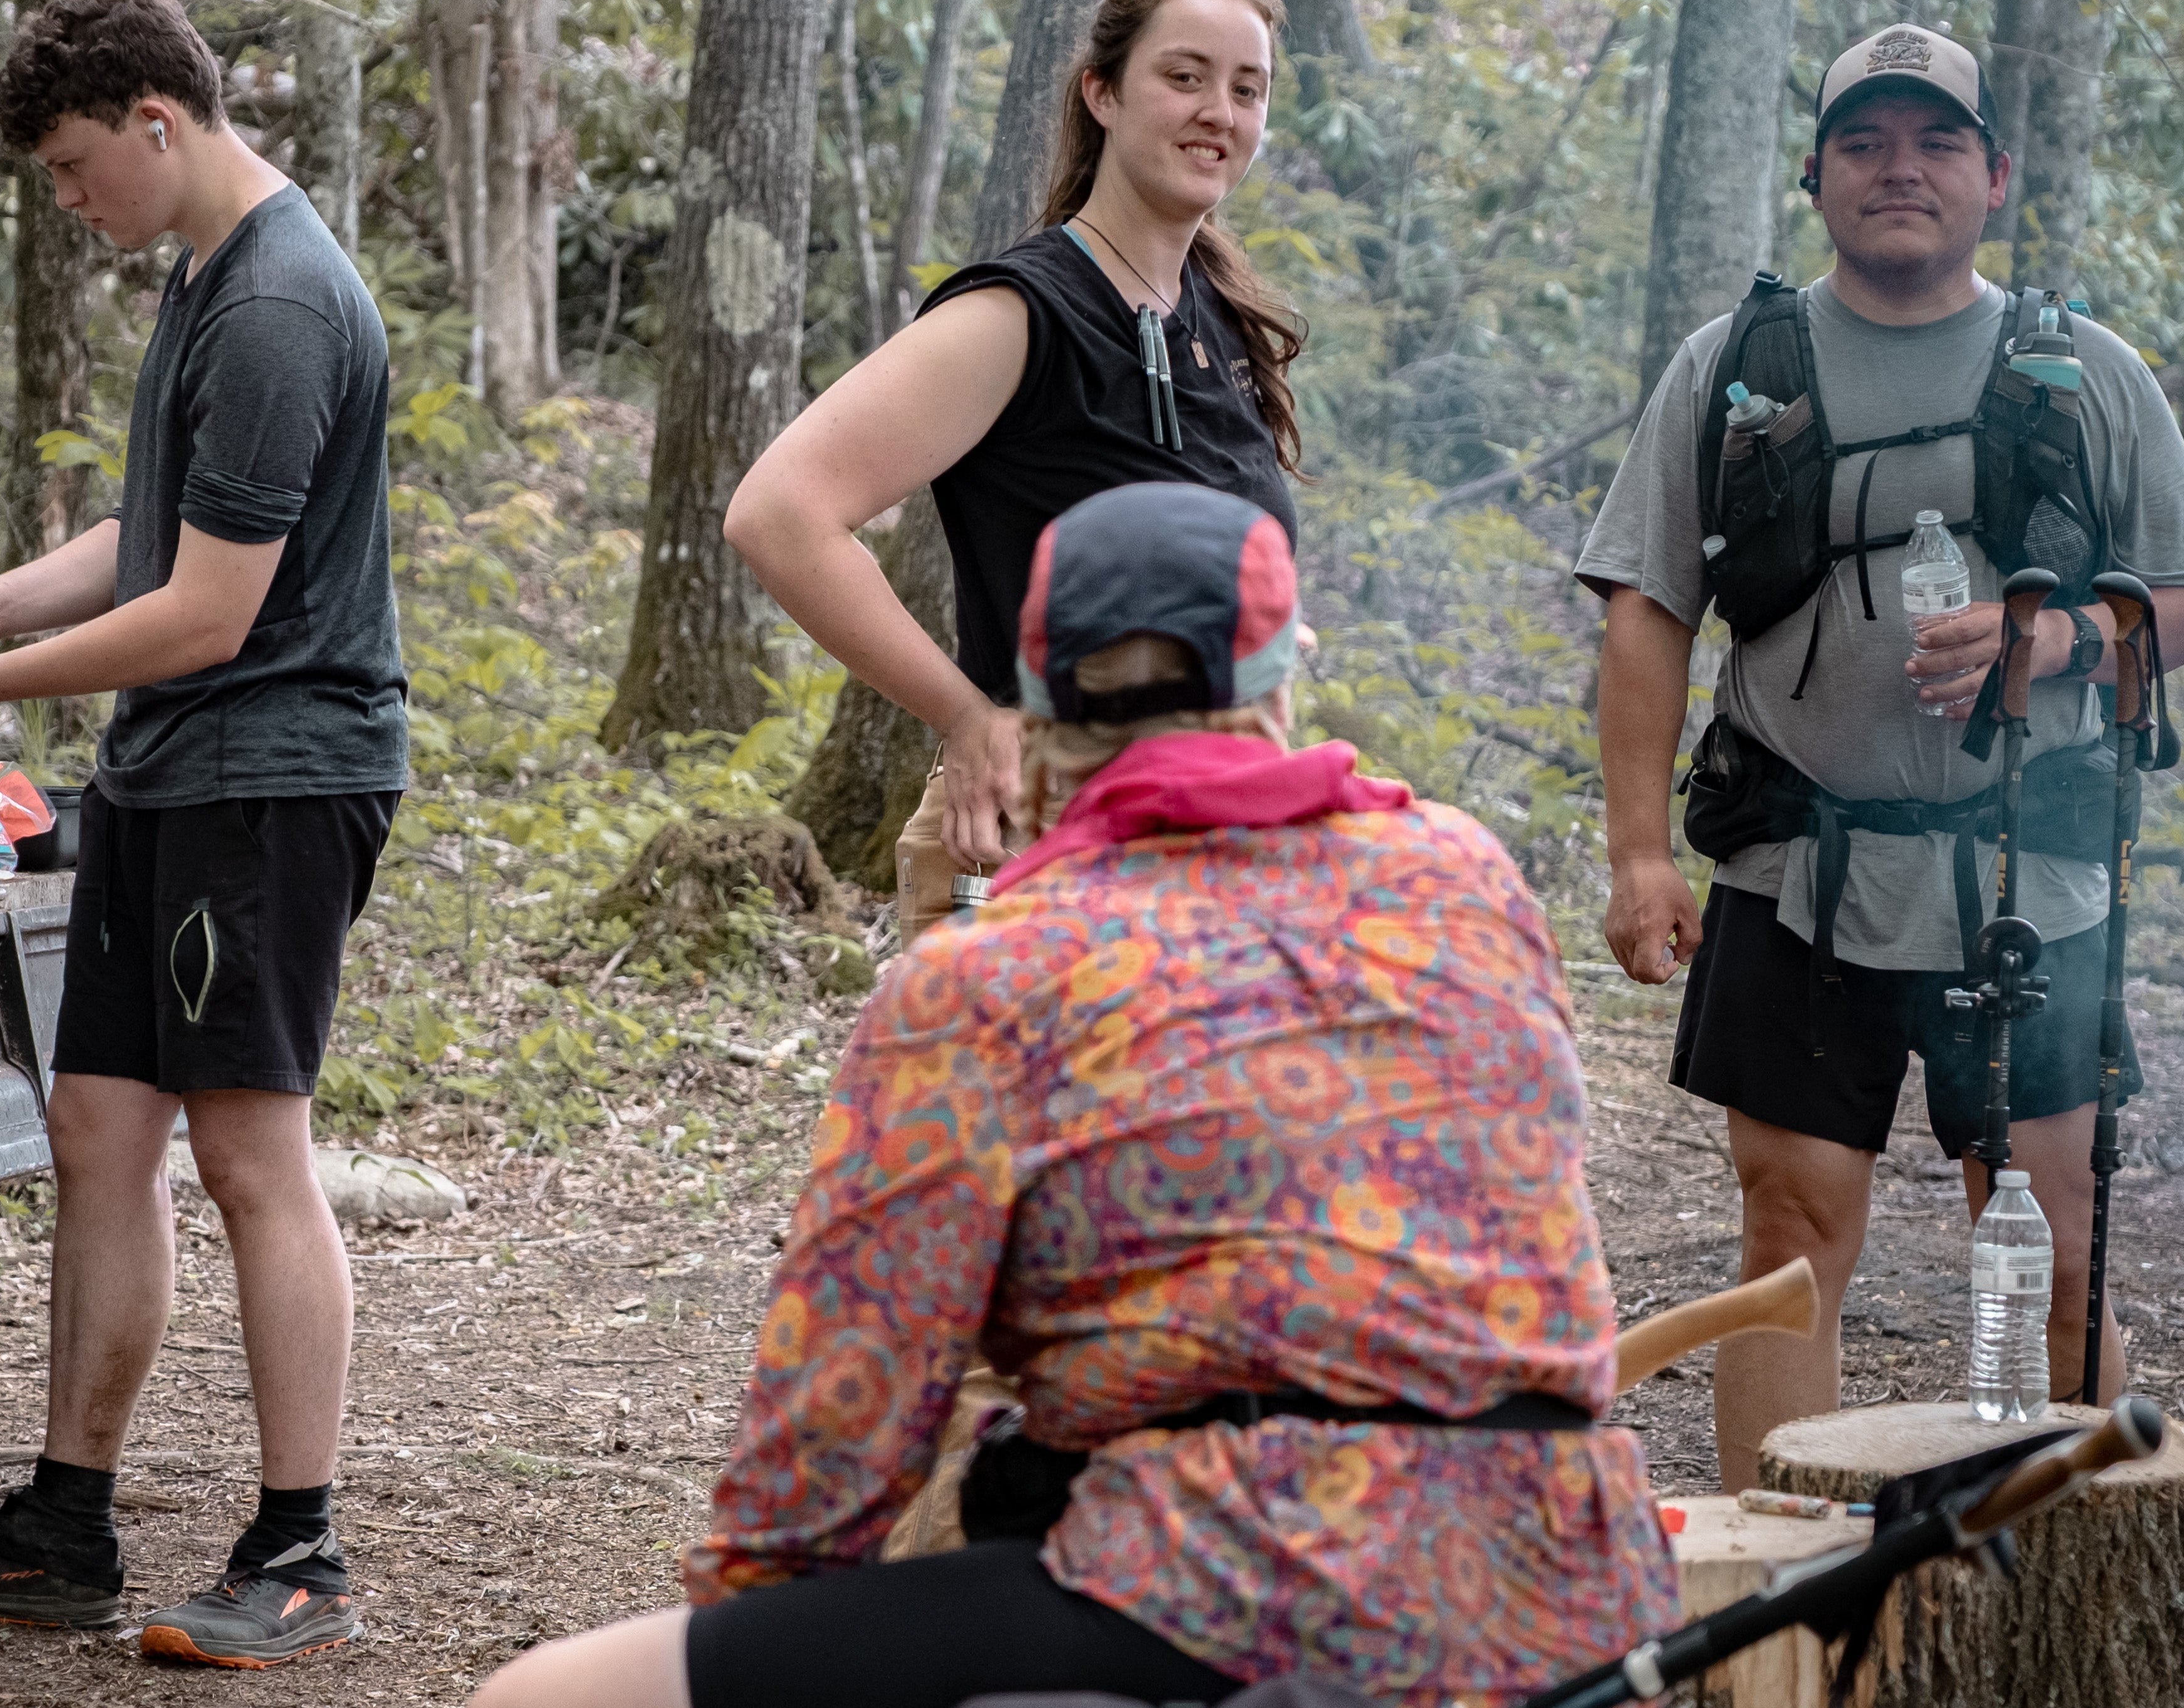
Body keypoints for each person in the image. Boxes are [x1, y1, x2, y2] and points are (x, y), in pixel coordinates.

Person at [475, 485, 1676, 1708]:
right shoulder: (1463, 875)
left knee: (544, 1696)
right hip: (1571, 1576)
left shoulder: (991, 977)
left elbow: (845, 1404)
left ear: (1032, 708)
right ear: (1278, 684)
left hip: (1225, 1573)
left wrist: (762, 1620)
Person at [0, 0, 403, 1670]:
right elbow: (162, 523)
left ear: (161, 121)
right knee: (96, 1126)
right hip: (173, 773)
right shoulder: (213, 278)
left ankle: (301, 1548)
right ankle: (61, 1519)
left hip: (272, 774)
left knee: (246, 1150)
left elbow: (212, 608)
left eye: (80, 167)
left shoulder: (285, 300)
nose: (72, 204)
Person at [1575, 25, 2184, 1491]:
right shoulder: (1733, 365)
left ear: (1992, 175)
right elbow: (1645, 612)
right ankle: (1781, 1588)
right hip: (1793, 861)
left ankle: (2073, 1587)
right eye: (1864, 141)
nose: (1899, 169)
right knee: (1791, 1236)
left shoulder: (2082, 368)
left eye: (1935, 141)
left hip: (2028, 878)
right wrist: (1635, 854)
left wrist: (2054, 640)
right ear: (1814, 176)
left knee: (2056, 1228)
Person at [725, 0, 1304, 943]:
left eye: (1244, 89)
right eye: (1183, 76)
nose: (1219, 110)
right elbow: (780, 515)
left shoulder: (1218, 314)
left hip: (1203, 868)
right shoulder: (1019, 312)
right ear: (1102, 94)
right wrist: (965, 716)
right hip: (1045, 852)